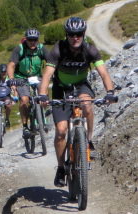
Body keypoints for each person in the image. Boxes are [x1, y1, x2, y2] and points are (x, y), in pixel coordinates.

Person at [37, 17, 117, 187]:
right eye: (72, 34)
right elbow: (47, 75)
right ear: (67, 34)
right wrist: (43, 95)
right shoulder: (58, 49)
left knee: (87, 105)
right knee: (61, 131)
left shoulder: (90, 50)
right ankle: (60, 168)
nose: (75, 37)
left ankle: (87, 141)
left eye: (79, 34)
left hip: (81, 86)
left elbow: (103, 73)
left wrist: (110, 92)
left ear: (83, 34)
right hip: (61, 89)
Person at [7, 28, 48, 139]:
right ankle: (25, 126)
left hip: (37, 76)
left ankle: (43, 117)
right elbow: (11, 65)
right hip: (22, 77)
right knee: (24, 100)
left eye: (35, 39)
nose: (32, 42)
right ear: (26, 39)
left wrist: (51, 75)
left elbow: (50, 62)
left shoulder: (41, 49)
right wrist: (11, 79)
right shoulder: (19, 49)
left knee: (44, 96)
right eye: (30, 40)